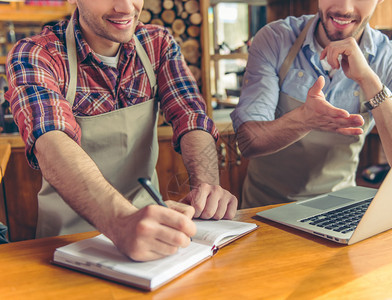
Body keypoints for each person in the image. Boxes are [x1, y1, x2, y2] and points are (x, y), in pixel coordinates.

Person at [5, 0, 237, 261]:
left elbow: (190, 115)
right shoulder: (37, 53)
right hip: (68, 242)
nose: (126, 8)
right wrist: (121, 221)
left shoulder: (157, 44)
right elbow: (51, 142)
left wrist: (206, 187)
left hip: (151, 233)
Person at [231, 0, 392, 208]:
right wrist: (305, 120)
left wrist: (369, 81)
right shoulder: (275, 39)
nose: (345, 8)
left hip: (338, 210)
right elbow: (248, 142)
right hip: (263, 210)